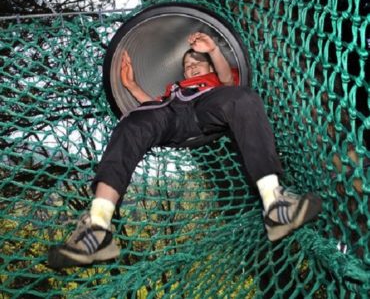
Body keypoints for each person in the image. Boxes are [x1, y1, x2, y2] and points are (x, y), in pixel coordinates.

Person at [48, 32, 322, 269]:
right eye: (186, 65)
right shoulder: (173, 89)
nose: (190, 67)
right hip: (171, 116)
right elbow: (155, 113)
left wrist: (212, 50)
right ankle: (98, 227)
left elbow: (228, 82)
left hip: (206, 110)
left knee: (242, 99)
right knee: (132, 124)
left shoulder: (217, 81)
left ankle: (275, 205)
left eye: (196, 63)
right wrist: (130, 85)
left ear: (210, 66)